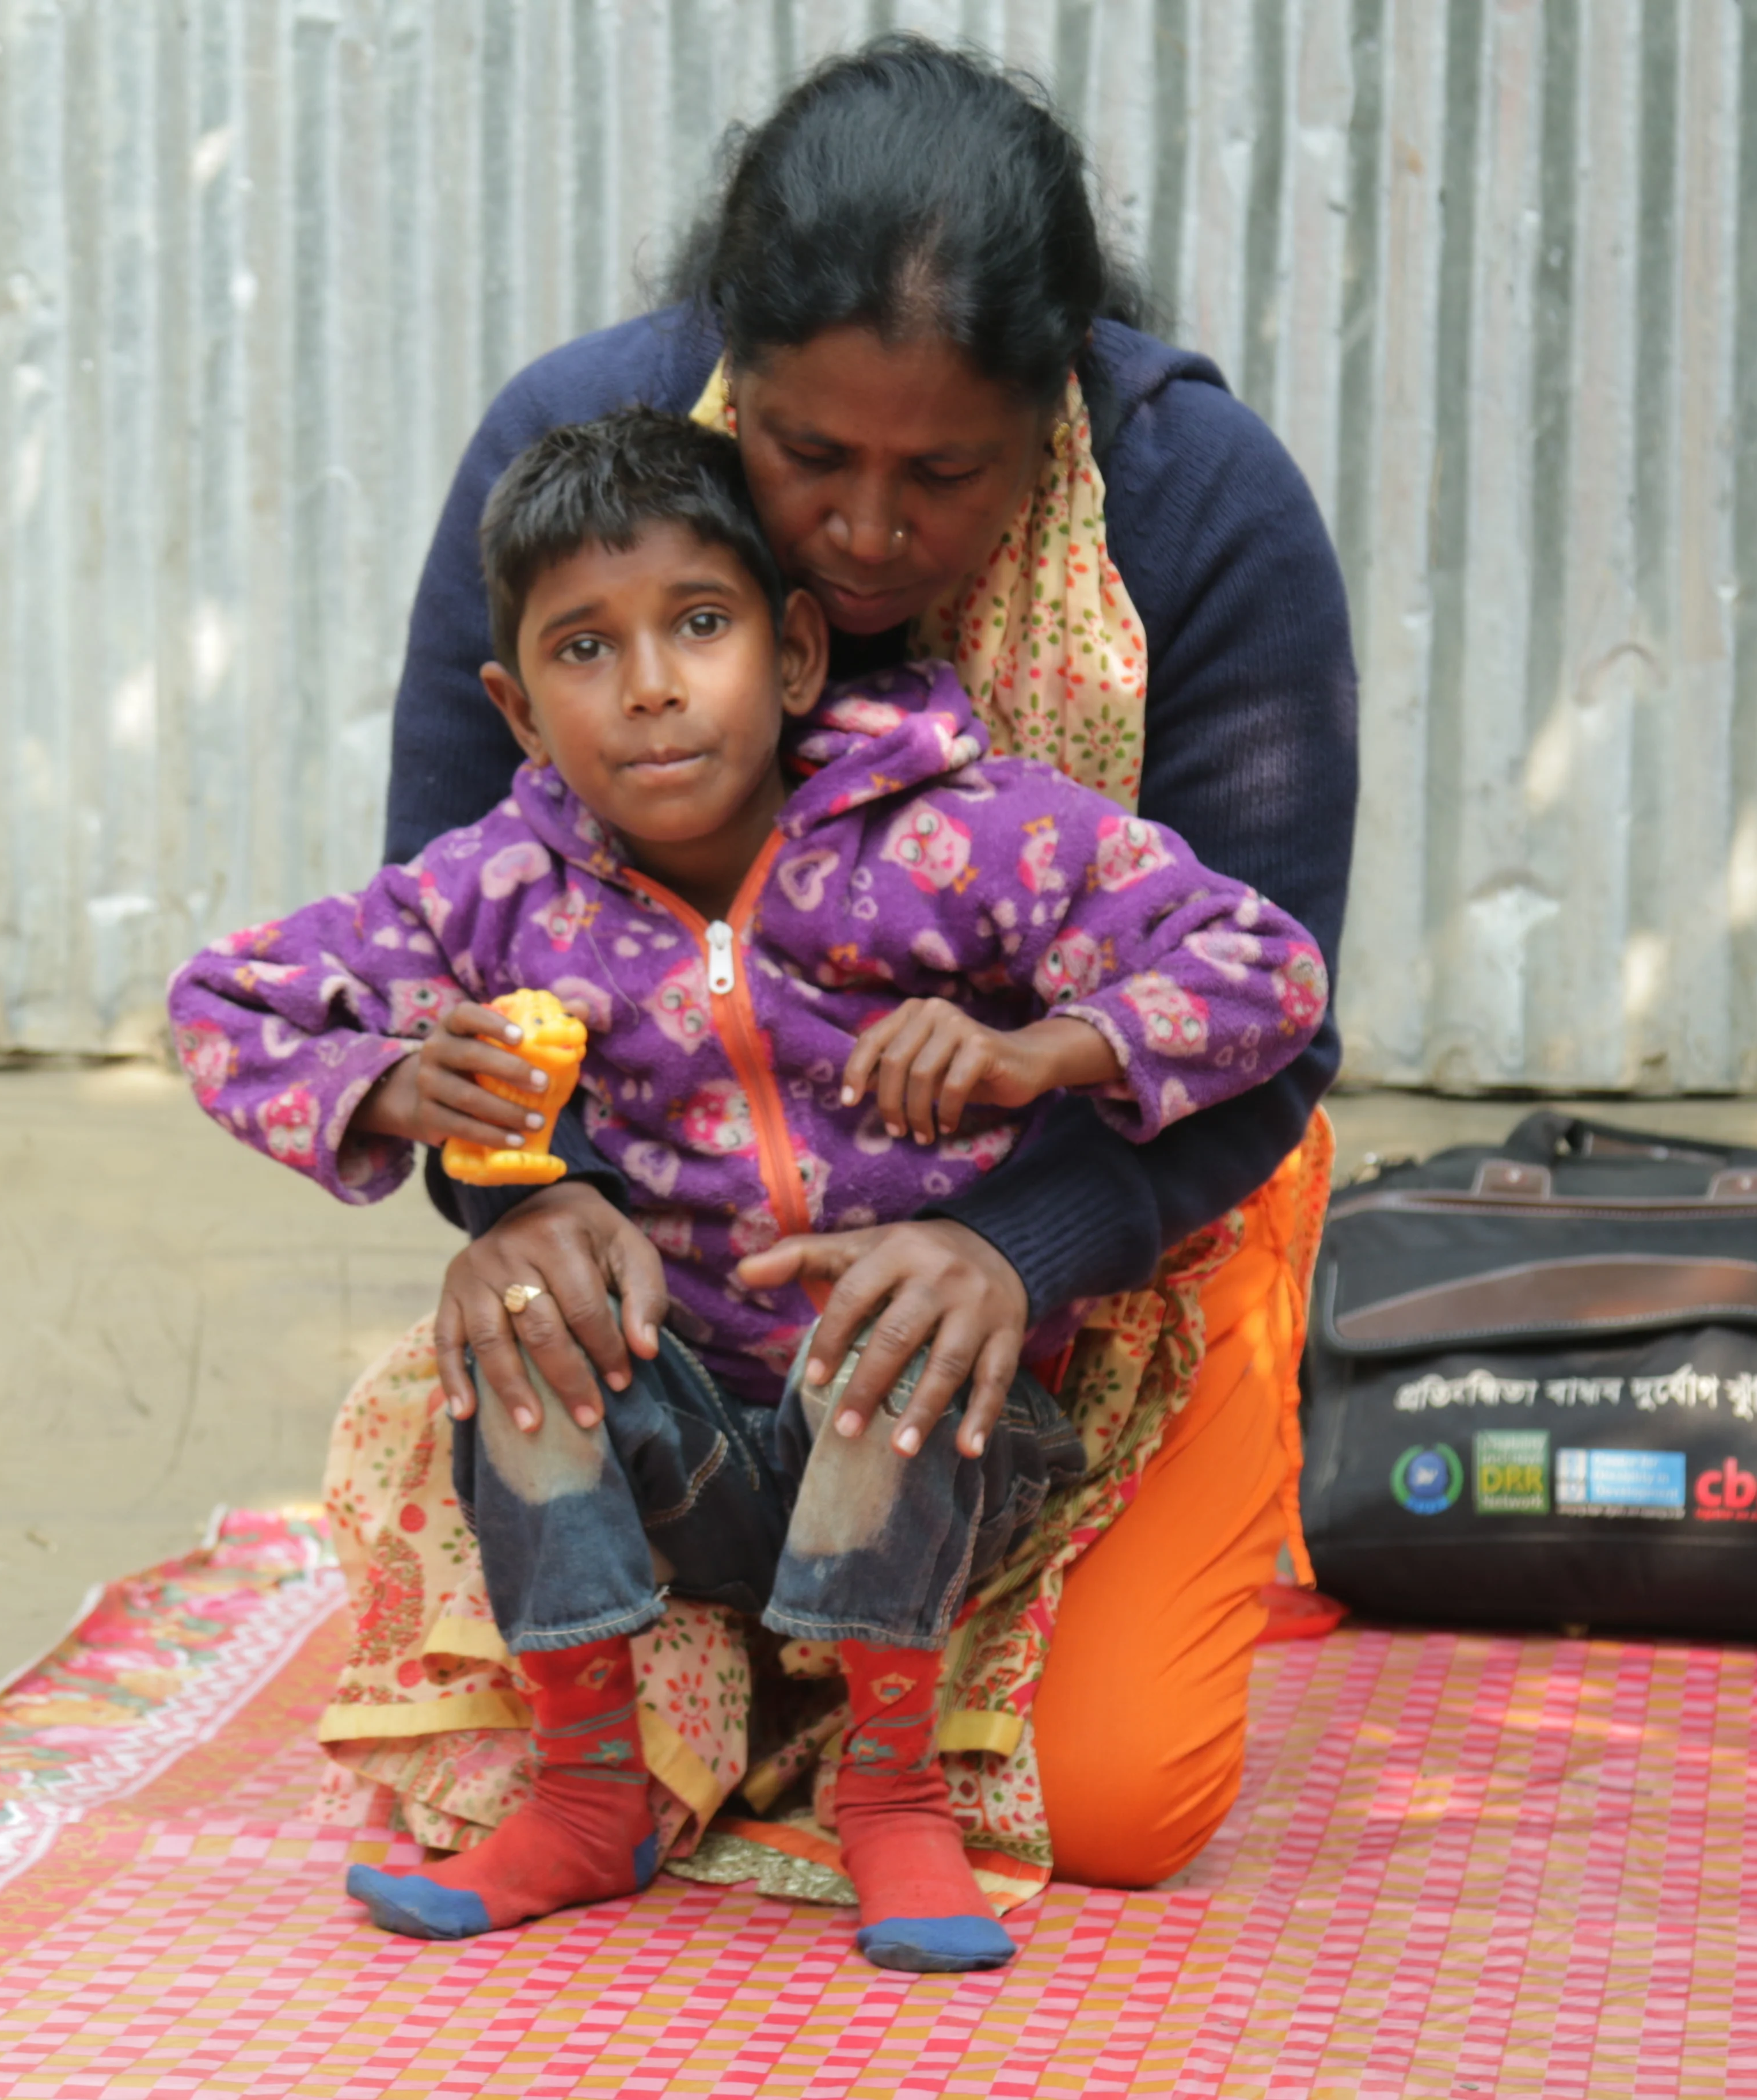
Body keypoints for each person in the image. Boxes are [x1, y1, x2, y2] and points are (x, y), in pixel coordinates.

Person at [325, 35, 1358, 1900]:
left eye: (947, 476)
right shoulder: (576, 462)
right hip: (694, 1292)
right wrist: (520, 1202)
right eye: (808, 460)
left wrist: (1012, 1246)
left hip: (1133, 1236)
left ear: (1055, 402)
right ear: (732, 384)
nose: (873, 534)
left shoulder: (1203, 507)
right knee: (535, 1753)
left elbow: (1275, 1021)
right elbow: (445, 938)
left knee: (1111, 1806)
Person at [172, 408, 1325, 1969]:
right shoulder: (498, 895)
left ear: (792, 655)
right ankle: (588, 1800)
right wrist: (383, 1085)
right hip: (691, 1450)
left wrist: (1038, 1052)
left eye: (697, 627)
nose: (648, 685)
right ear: (516, 708)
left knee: (888, 1327)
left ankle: (896, 1796)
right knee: (521, 1326)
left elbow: (1268, 968)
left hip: (948, 1457)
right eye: (587, 650)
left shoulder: (957, 841)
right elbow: (227, 1002)